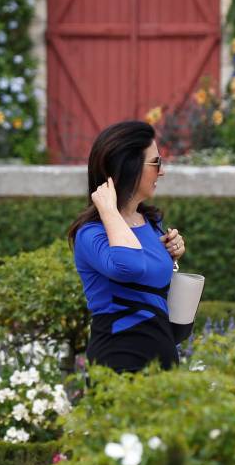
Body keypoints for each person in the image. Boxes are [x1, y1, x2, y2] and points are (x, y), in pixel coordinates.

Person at [67, 120, 188, 372]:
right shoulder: (91, 233)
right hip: (119, 363)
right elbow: (130, 267)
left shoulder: (152, 224)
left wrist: (172, 254)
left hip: (163, 360)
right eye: (156, 163)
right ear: (129, 166)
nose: (162, 172)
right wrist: (110, 210)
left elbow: (151, 283)